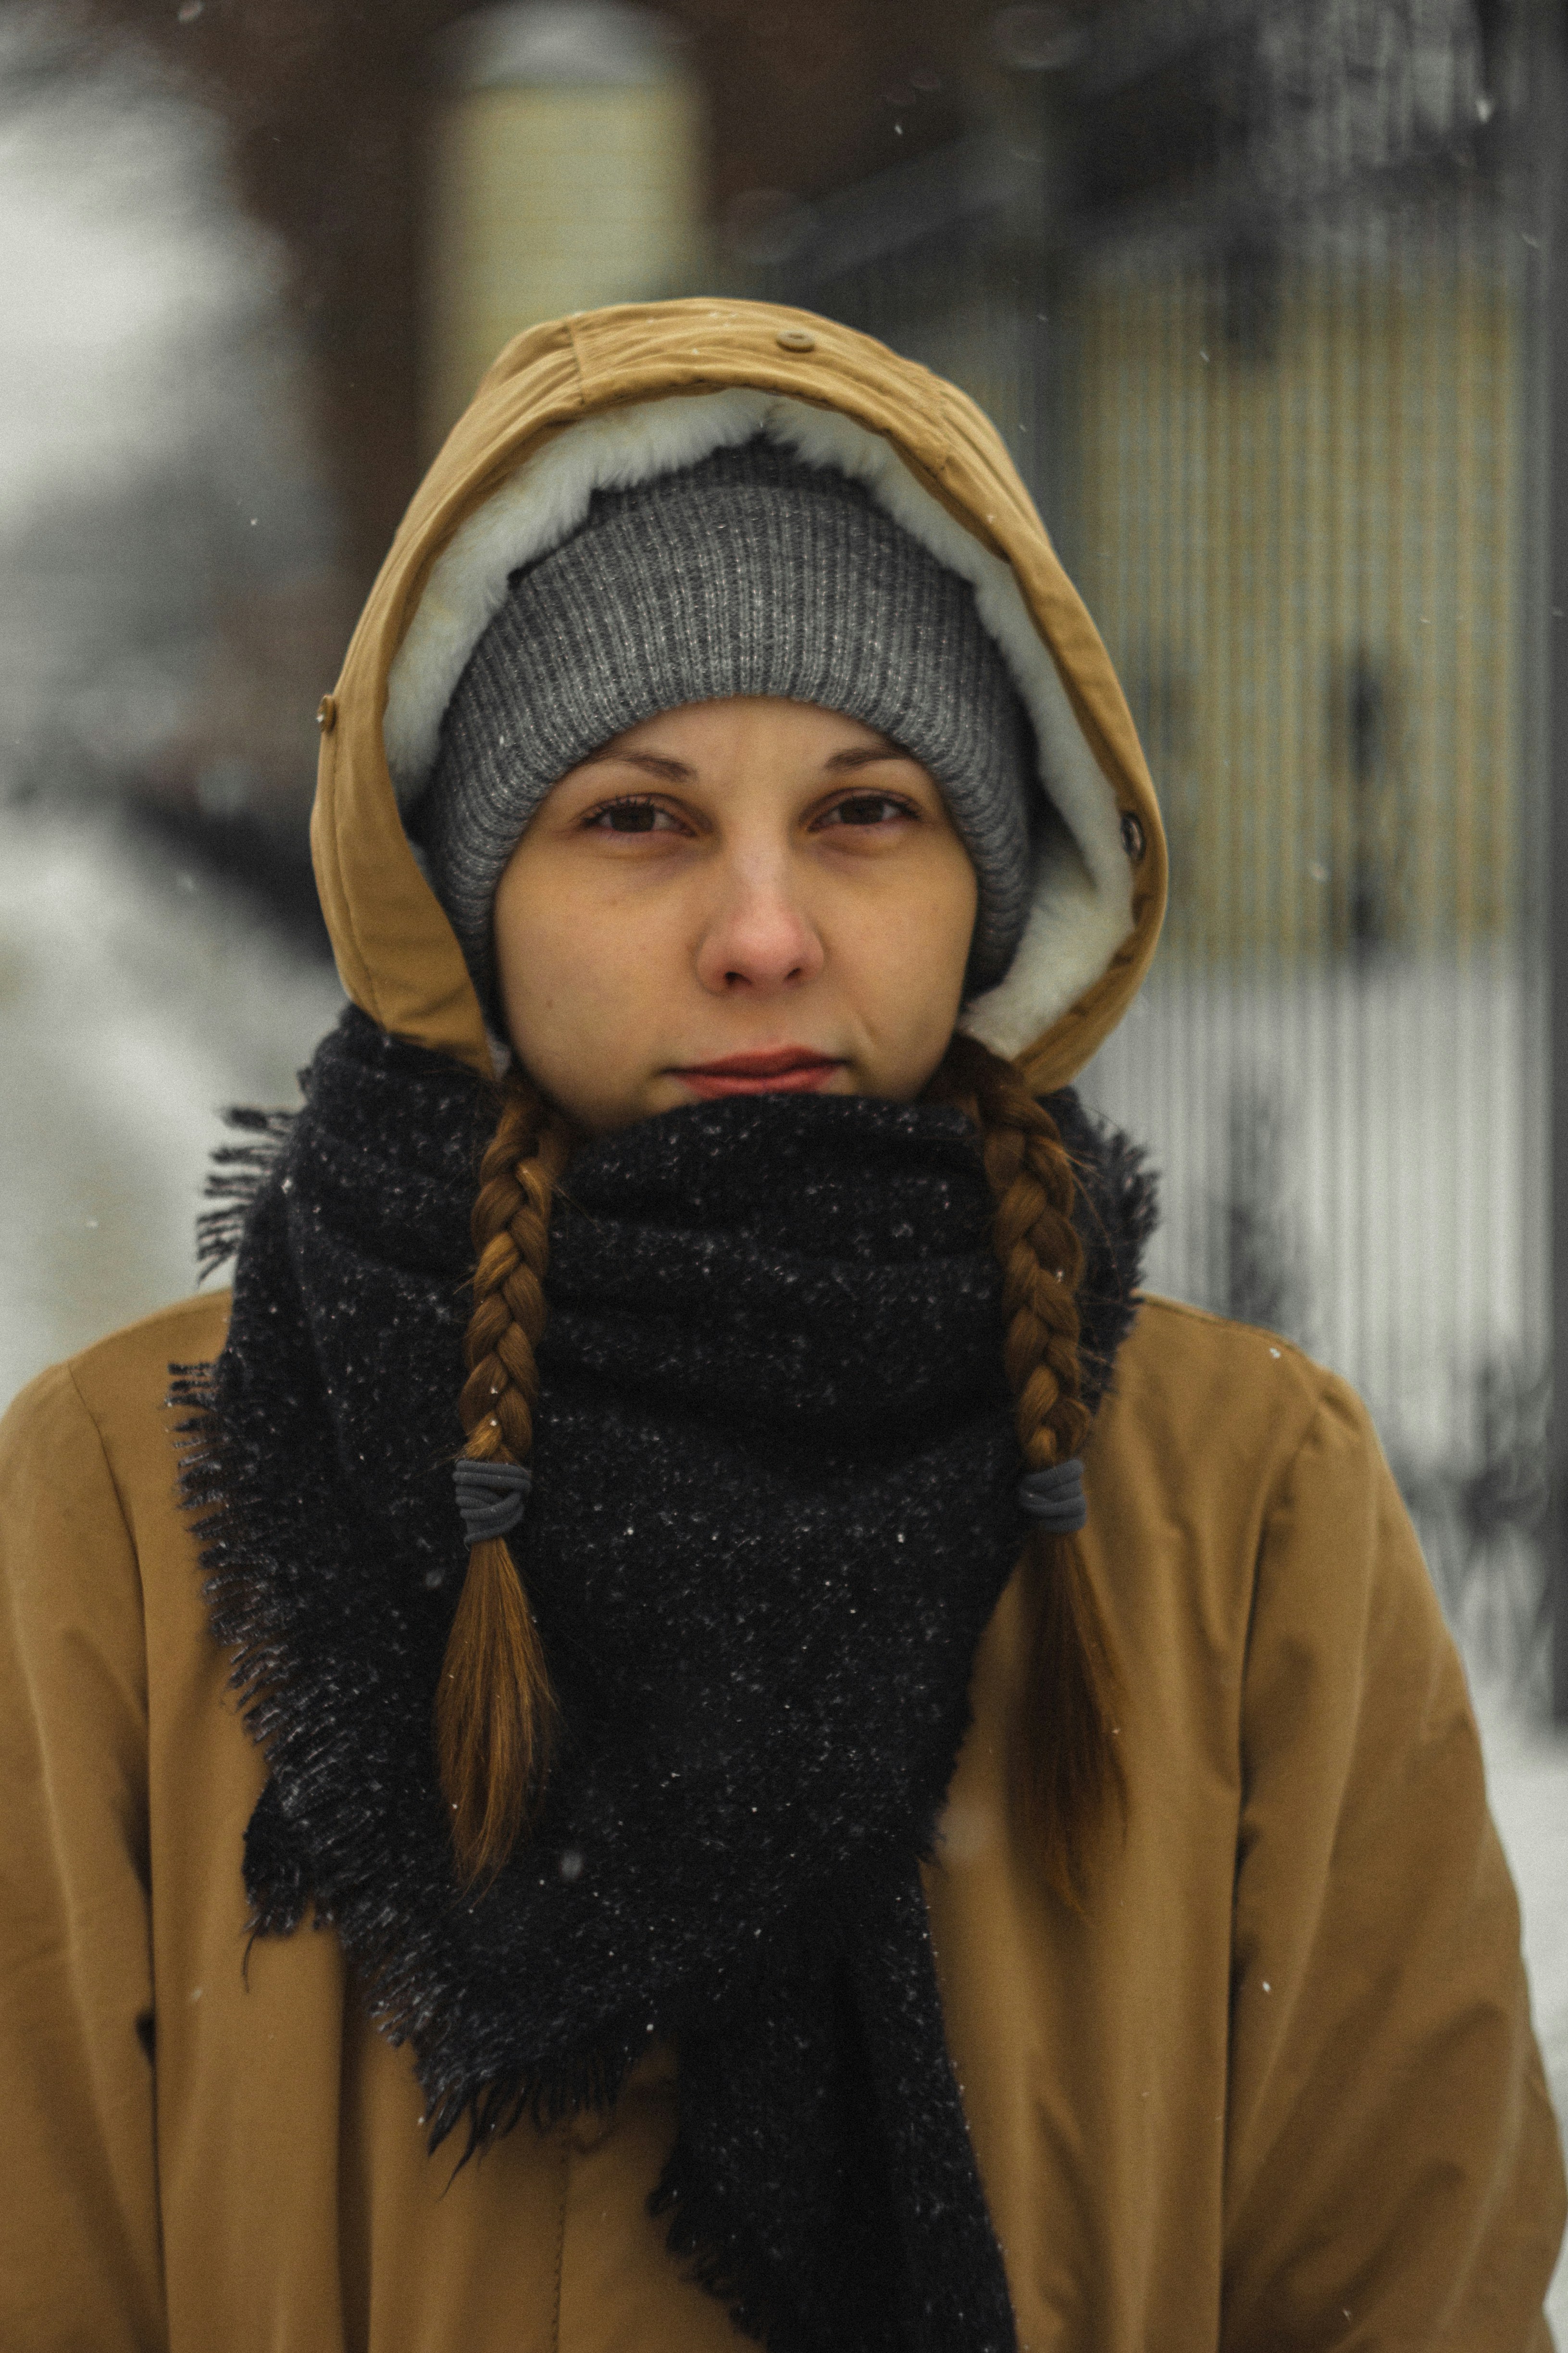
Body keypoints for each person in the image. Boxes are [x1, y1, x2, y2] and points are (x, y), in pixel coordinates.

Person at [0, 299, 1561, 2353]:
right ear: (473, 898)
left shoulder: (1245, 1508)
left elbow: (1396, 2294)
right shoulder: (124, 1511)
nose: (763, 934)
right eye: (635, 819)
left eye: (868, 814)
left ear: (993, 887)